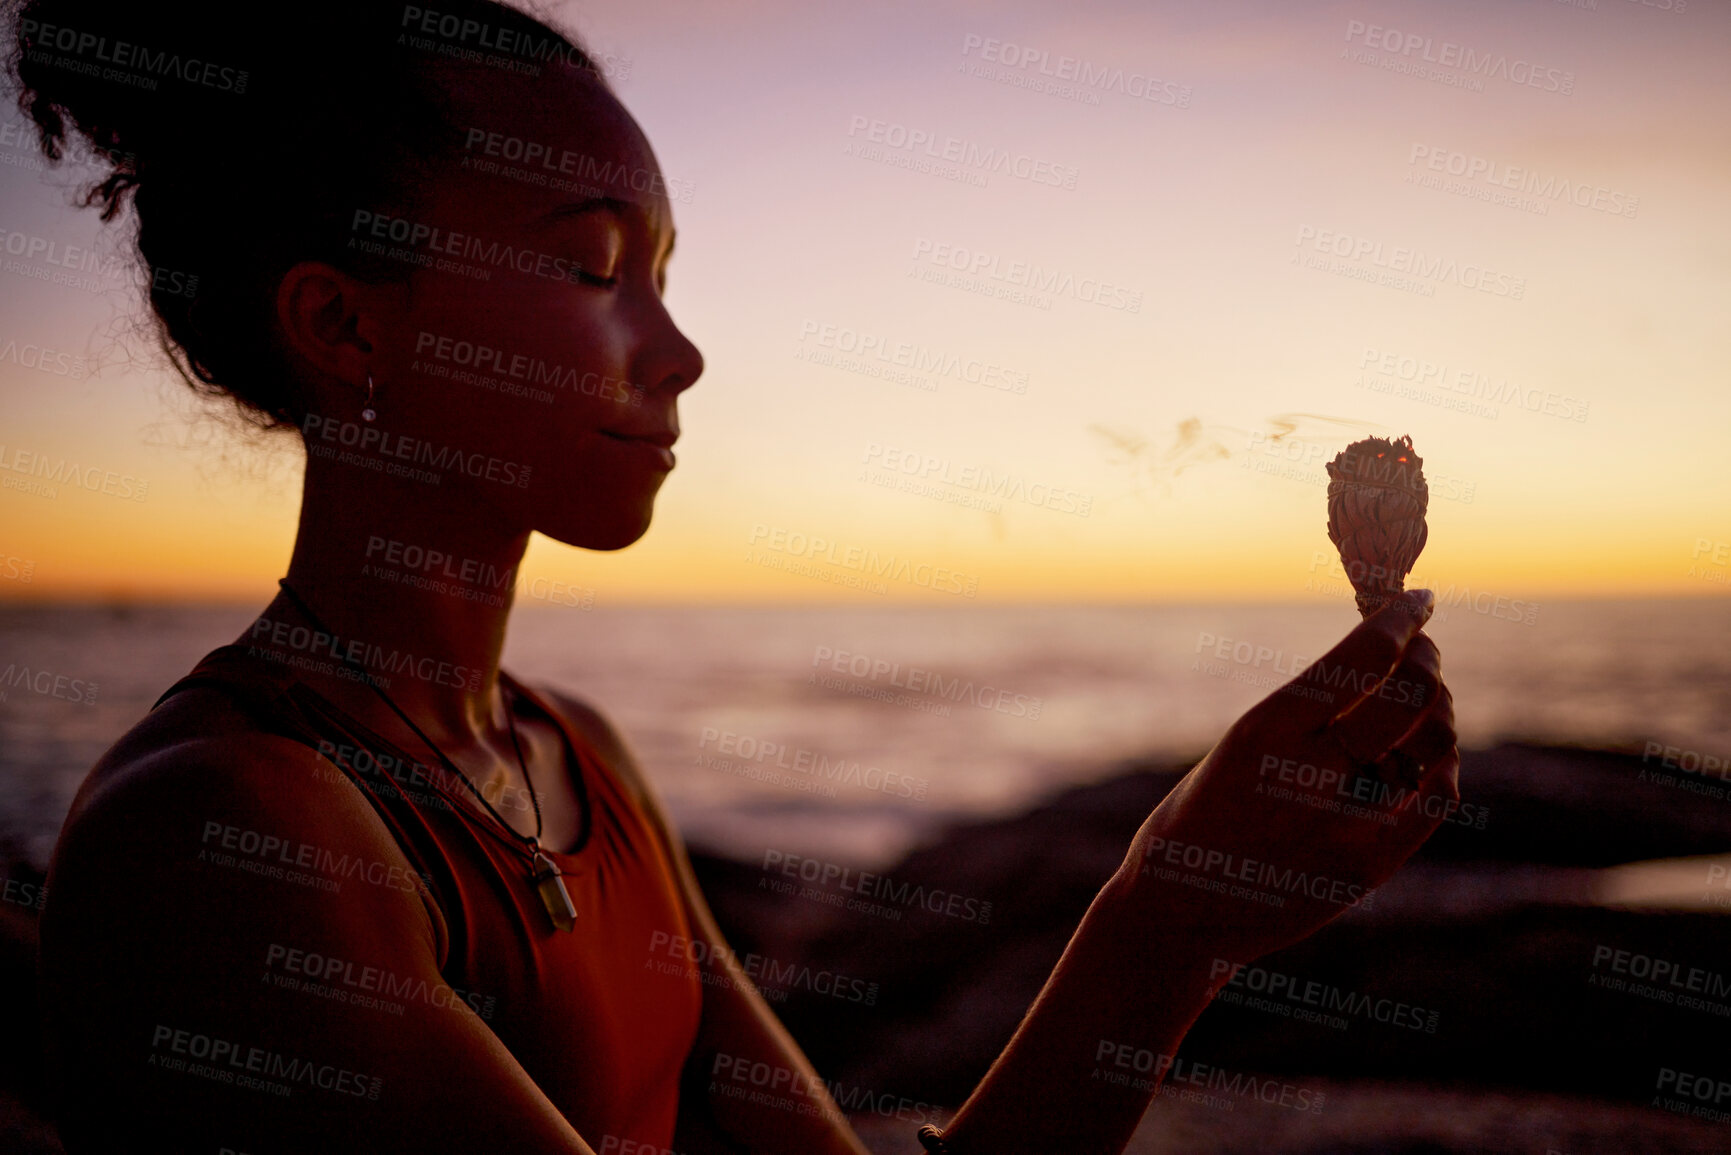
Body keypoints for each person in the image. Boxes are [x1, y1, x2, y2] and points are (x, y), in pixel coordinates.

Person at [9, 1, 1458, 1151]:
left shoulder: (580, 757)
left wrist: (1174, 915)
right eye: (594, 269)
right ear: (342, 325)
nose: (682, 352)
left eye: (665, 274)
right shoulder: (224, 829)